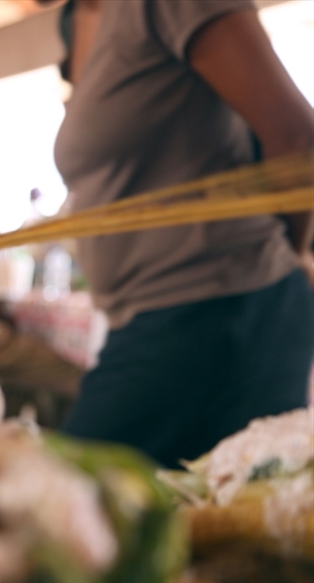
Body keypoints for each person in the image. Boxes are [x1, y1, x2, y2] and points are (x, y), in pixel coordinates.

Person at [53, 0, 314, 467]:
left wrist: (279, 263)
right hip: (163, 319)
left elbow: (296, 138)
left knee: (65, 505)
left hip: (218, 311)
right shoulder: (92, 20)